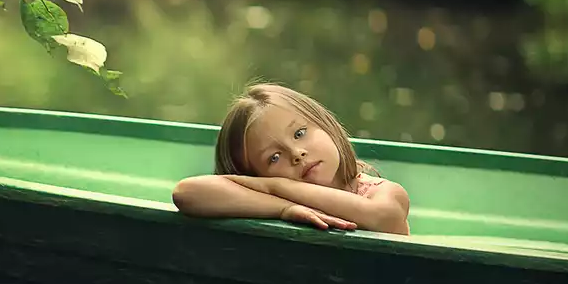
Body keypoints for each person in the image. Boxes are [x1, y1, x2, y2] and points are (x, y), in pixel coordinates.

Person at [172, 83, 411, 234]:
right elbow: (187, 193)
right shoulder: (273, 201)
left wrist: (275, 185)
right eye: (274, 158)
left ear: (325, 124)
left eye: (299, 133)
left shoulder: (381, 192)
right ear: (254, 174)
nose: (297, 154)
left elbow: (385, 219)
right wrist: (284, 208)